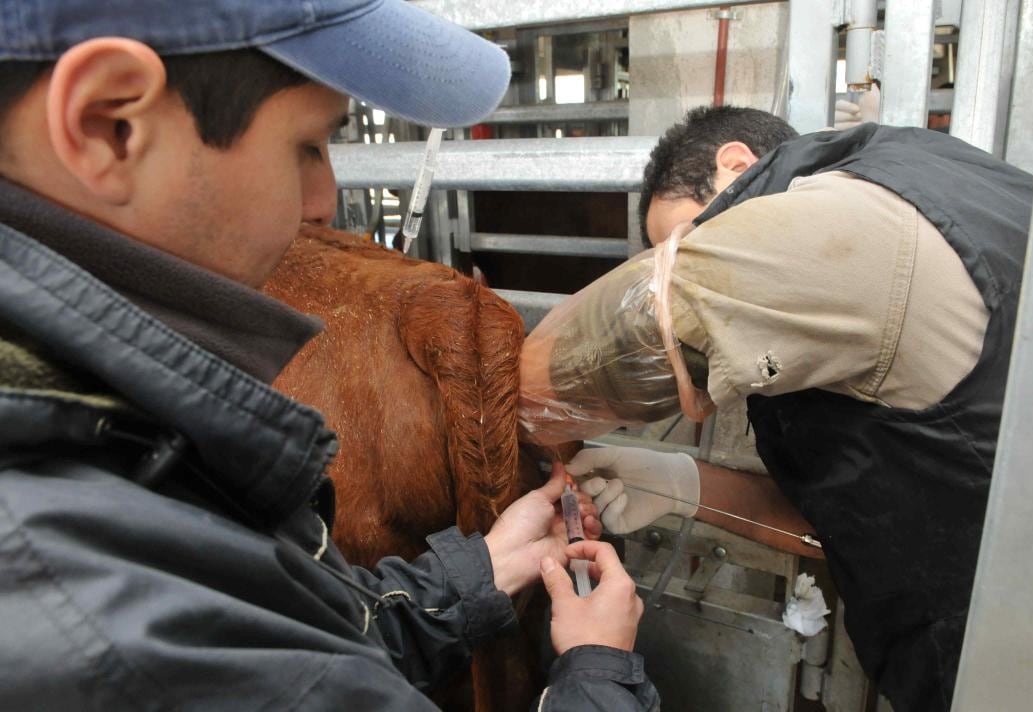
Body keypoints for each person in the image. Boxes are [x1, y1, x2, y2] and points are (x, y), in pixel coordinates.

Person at [0, 1, 657, 709]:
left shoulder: (107, 448)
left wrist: (483, 572)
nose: (324, 201)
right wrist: (597, 667)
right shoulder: (110, 632)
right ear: (109, 125)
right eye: (307, 144)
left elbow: (270, 629)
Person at [519, 104, 1033, 711]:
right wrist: (681, 484)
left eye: (683, 242)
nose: (682, 265)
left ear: (736, 165)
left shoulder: (835, 226)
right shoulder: (938, 173)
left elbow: (571, 369)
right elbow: (855, 522)